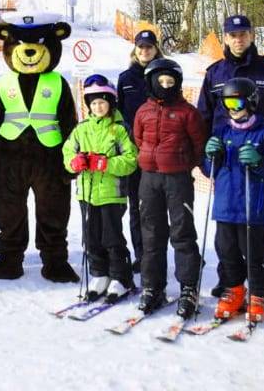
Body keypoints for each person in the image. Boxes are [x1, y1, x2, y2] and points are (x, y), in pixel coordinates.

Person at [196, 14, 264, 297]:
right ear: (225, 38)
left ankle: (258, 283)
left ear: (252, 36)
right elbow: (203, 117)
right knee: (226, 228)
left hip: (259, 157)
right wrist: (206, 160)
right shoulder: (215, 72)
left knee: (255, 225)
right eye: (233, 35)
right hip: (225, 159)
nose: (238, 40)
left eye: (243, 34)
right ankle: (230, 281)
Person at [202, 77, 264, 323]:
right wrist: (210, 156)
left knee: (254, 253)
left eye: (237, 102)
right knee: (226, 252)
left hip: (252, 206)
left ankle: (259, 294)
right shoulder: (222, 132)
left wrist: (259, 162)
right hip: (225, 206)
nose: (233, 108)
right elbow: (209, 169)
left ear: (250, 101)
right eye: (227, 103)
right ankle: (234, 289)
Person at [133, 59, 207, 317]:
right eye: (160, 82)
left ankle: (188, 287)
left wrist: (184, 164)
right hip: (149, 179)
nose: (165, 86)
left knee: (182, 233)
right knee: (151, 234)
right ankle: (153, 286)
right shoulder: (143, 111)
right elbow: (138, 138)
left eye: (170, 82)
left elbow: (199, 145)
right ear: (151, 83)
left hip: (177, 180)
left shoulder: (187, 112)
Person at [63, 79, 138, 302]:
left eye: (102, 103)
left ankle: (120, 277)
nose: (98, 107)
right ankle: (99, 274)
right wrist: (74, 162)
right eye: (94, 103)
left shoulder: (120, 129)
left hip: (111, 193)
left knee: (111, 237)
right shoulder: (81, 129)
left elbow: (131, 160)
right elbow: (68, 152)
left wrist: (105, 164)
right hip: (86, 193)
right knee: (91, 237)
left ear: (110, 103)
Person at [117, 29, 164, 272]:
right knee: (136, 206)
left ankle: (159, 252)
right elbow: (119, 115)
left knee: (160, 206)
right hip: (135, 154)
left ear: (156, 48)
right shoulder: (125, 78)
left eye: (149, 46)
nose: (145, 51)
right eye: (141, 47)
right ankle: (141, 254)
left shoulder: (164, 73)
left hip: (161, 153)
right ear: (135, 49)